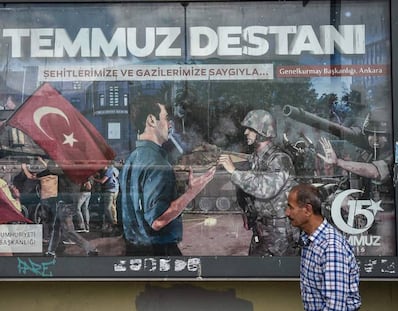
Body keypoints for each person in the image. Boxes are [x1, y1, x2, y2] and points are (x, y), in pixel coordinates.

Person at [120, 101, 216, 256]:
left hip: (134, 249)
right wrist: (191, 192)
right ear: (151, 120)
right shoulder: (157, 164)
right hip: (158, 252)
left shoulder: (133, 158)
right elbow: (158, 221)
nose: (169, 124)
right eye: (165, 118)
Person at [218, 109, 299, 256]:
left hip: (279, 234)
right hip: (262, 229)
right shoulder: (257, 157)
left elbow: (266, 189)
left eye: (250, 129)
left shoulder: (280, 159)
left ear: (262, 131)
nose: (245, 133)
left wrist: (234, 172)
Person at [285, 183, 361, 311]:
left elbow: (335, 307)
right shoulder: (310, 240)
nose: (287, 213)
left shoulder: (331, 248)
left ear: (307, 210)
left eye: (291, 208)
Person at [93, 163, 119, 233]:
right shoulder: (114, 169)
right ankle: (113, 222)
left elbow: (103, 181)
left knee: (107, 208)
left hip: (110, 190)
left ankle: (112, 224)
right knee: (112, 207)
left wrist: (93, 179)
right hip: (115, 190)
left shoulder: (108, 171)